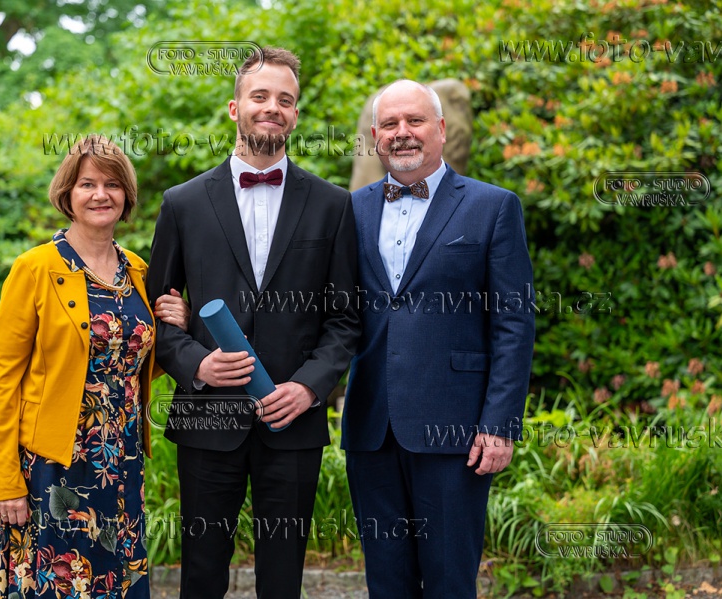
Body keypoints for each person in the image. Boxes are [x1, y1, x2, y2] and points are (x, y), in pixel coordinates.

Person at [147, 47, 360, 599]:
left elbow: (345, 319)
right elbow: (155, 315)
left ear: (295, 115)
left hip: (292, 422)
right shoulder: (182, 203)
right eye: (260, 96)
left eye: (285, 100)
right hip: (205, 418)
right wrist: (197, 365)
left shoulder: (334, 205)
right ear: (234, 107)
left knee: (283, 579)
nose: (272, 107)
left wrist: (308, 388)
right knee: (200, 575)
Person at [342, 79, 536, 598]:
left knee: (450, 581)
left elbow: (514, 325)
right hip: (371, 428)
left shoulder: (493, 207)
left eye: (415, 120)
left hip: (458, 430)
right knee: (386, 583)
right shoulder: (350, 210)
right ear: (375, 137)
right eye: (389, 124)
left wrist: (500, 424)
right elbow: (332, 312)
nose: (402, 132)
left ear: (442, 129)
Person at [0, 135, 190, 599]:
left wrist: (177, 322)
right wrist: (5, 483)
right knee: (59, 583)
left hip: (121, 463)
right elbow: (0, 380)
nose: (101, 194)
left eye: (112, 185)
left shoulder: (138, 270)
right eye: (88, 184)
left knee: (116, 581)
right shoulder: (35, 268)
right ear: (68, 194)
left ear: (126, 196)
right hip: (54, 464)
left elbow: (131, 365)